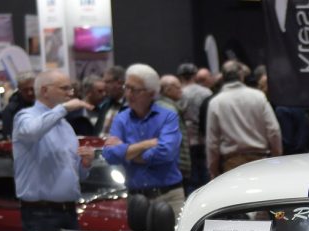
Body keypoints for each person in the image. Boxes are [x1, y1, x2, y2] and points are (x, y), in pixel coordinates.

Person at [12, 69, 94, 231]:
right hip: (40, 213)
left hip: (69, 211)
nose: (70, 93)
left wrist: (85, 165)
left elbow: (75, 173)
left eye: (71, 88)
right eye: (64, 88)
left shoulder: (65, 126)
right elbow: (32, 131)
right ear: (45, 91)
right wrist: (63, 109)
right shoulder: (25, 117)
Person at [102, 64, 185, 219]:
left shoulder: (168, 116)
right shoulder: (121, 118)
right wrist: (145, 145)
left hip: (169, 196)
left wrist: (127, 153)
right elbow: (109, 155)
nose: (128, 94)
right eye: (127, 88)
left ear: (151, 93)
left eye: (135, 90)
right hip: (136, 200)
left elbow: (166, 153)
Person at [205, 60, 282, 178]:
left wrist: (213, 170)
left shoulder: (216, 102)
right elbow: (273, 130)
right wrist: (277, 156)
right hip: (261, 161)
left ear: (222, 77)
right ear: (242, 76)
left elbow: (212, 142)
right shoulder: (258, 96)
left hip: (232, 165)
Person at [177, 62, 212, 192]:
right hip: (204, 138)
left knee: (190, 178)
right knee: (206, 176)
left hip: (186, 140)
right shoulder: (206, 92)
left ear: (180, 77)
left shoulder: (179, 93)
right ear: (195, 75)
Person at [1, 73, 35, 137]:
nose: (30, 93)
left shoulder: (44, 104)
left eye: (32, 89)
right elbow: (8, 135)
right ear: (19, 90)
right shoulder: (11, 109)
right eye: (25, 90)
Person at [95, 65, 126, 136]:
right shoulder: (105, 106)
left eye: (107, 82)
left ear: (119, 83)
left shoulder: (130, 107)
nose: (104, 86)